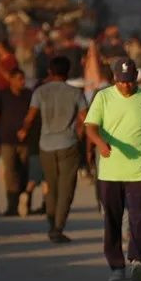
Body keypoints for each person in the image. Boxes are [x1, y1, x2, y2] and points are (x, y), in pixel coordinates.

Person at [84, 58, 141, 281]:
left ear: (136, 76)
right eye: (122, 82)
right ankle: (116, 265)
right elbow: (90, 127)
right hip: (111, 170)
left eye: (130, 81)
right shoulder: (103, 97)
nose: (127, 86)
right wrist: (100, 144)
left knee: (139, 217)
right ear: (114, 79)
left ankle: (137, 260)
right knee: (112, 218)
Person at [20, 56, 86, 242]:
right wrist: (79, 135)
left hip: (46, 145)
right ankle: (58, 227)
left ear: (50, 71)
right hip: (68, 143)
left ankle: (51, 222)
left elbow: (30, 117)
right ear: (67, 72)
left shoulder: (40, 92)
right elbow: (84, 118)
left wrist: (24, 131)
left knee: (51, 185)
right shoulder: (75, 93)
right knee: (66, 188)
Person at [0, 68, 32, 215]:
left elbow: (32, 115)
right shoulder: (2, 95)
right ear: (11, 79)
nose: (22, 82)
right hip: (6, 140)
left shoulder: (28, 94)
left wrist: (26, 130)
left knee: (24, 172)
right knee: (10, 173)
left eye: (23, 79)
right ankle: (12, 206)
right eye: (19, 79)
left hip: (25, 141)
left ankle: (24, 205)